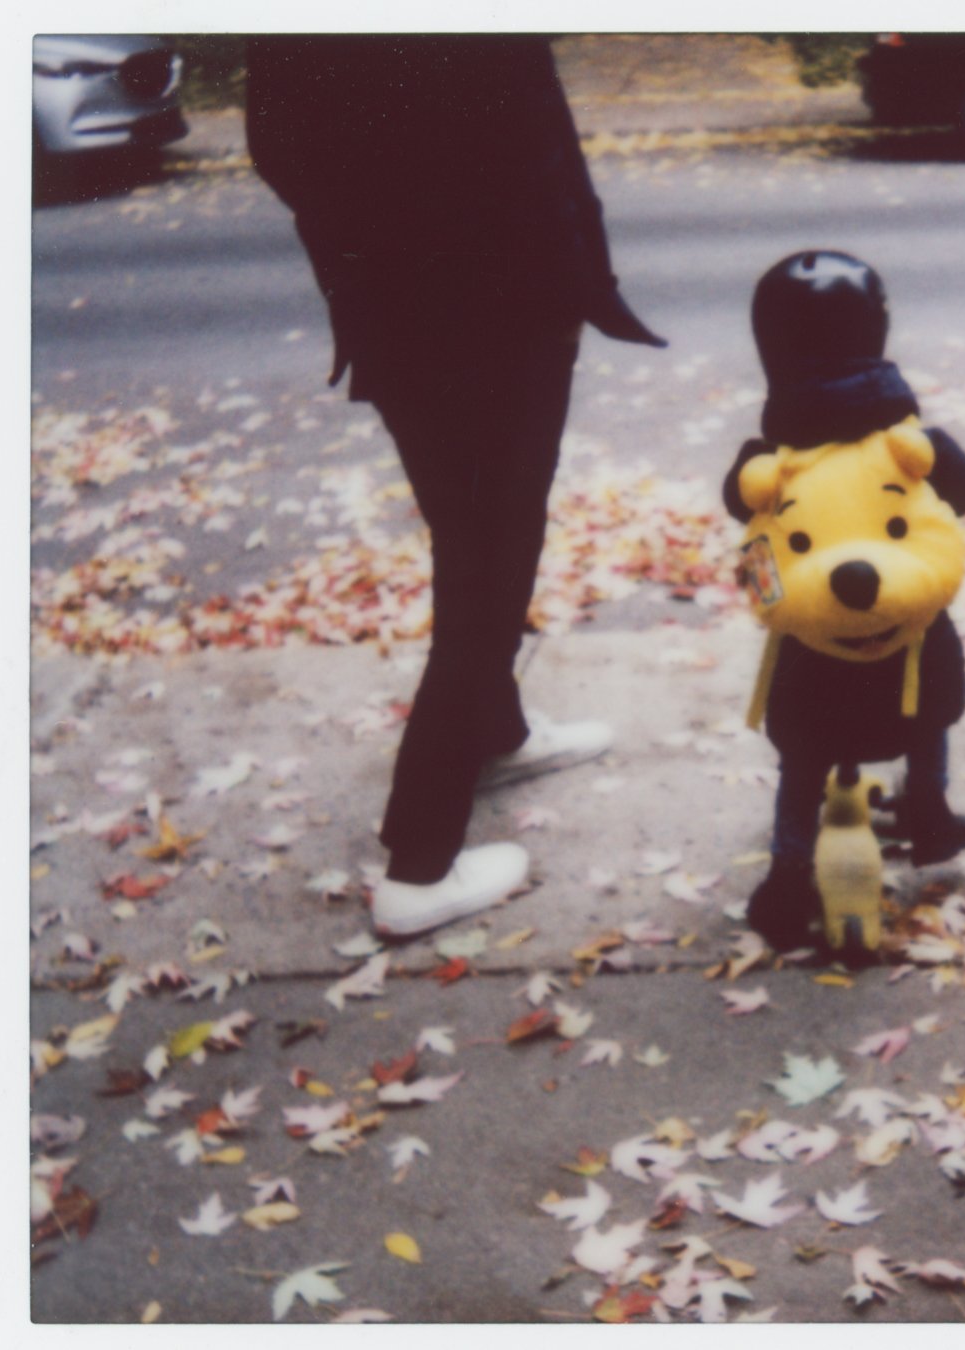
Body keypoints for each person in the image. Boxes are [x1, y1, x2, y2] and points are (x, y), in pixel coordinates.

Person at [246, 36, 667, 936]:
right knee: (490, 561)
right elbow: (514, 127)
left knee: (477, 538)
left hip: (400, 315)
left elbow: (276, 140)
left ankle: (497, 729)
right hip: (494, 310)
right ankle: (419, 861)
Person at [722, 251, 965, 951]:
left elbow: (745, 536)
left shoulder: (768, 460)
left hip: (813, 671)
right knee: (928, 723)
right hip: (909, 663)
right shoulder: (911, 444)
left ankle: (787, 875)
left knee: (802, 764)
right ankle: (927, 811)